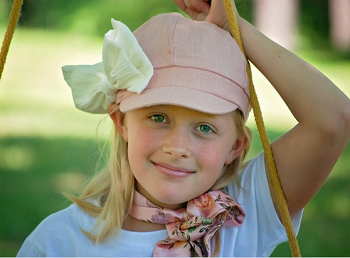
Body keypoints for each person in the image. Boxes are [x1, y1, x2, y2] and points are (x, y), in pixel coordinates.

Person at [17, 0, 350, 257]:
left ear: (235, 145)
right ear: (122, 122)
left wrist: (234, 26)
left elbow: (333, 119)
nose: (177, 146)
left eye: (204, 126)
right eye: (158, 118)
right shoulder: (58, 242)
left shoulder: (247, 209)